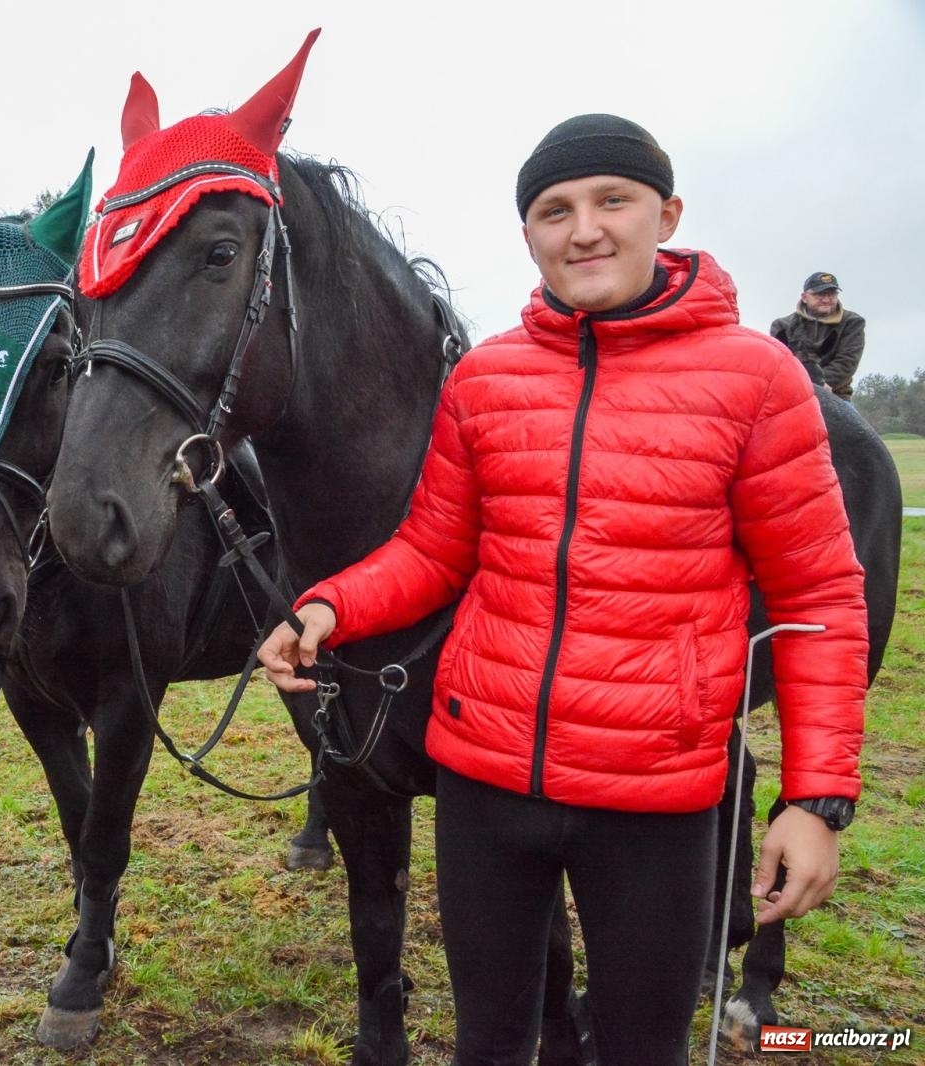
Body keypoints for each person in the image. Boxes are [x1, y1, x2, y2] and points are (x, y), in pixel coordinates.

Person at [257, 114, 868, 1064]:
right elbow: (432, 549)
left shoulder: (758, 380)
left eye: (610, 201)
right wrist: (329, 606)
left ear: (665, 215)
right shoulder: (487, 379)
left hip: (655, 798)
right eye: (554, 211)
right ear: (529, 235)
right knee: (489, 1042)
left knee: (638, 1046)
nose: (583, 229)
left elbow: (818, 596)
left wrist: (816, 797)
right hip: (485, 786)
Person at [770, 271, 866, 400]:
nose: (826, 300)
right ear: (804, 297)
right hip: (792, 393)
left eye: (831, 294)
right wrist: (800, 385)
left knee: (852, 420)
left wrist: (820, 384)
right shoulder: (782, 325)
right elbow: (778, 362)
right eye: (819, 295)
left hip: (836, 394)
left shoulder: (852, 322)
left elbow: (847, 362)